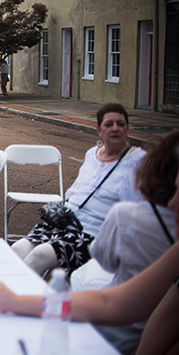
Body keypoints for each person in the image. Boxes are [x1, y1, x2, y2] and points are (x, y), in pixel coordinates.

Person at [0, 166, 179, 355]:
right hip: (67, 225)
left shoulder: (127, 203)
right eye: (174, 190)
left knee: (41, 254)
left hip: (88, 235)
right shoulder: (174, 254)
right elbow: (111, 304)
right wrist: (15, 301)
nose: (172, 204)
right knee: (19, 247)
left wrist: (17, 303)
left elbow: (115, 299)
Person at [70, 130, 178, 353]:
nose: (174, 203)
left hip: (113, 336)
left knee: (80, 275)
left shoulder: (126, 216)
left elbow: (105, 263)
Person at [11, 103, 146, 276]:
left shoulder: (137, 161)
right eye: (109, 124)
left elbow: (135, 209)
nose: (115, 129)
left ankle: (20, 301)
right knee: (17, 249)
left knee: (39, 255)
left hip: (94, 234)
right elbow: (76, 190)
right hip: (65, 222)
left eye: (121, 124)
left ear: (127, 129)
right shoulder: (92, 154)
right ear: (99, 129)